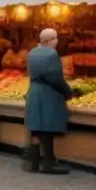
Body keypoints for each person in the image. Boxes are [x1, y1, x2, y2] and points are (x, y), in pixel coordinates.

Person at [23, 28, 72, 174]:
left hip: (34, 91)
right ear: (49, 40)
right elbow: (55, 77)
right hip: (48, 93)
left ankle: (34, 161)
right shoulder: (51, 54)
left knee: (36, 129)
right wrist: (67, 91)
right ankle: (49, 163)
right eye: (56, 38)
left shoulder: (32, 53)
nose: (57, 41)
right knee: (48, 129)